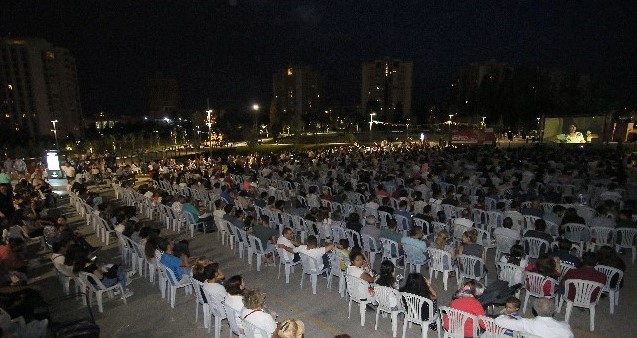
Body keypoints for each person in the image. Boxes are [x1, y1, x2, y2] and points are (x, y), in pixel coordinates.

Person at [495, 298, 574, 338]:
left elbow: (498, 321)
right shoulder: (566, 328)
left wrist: (504, 314)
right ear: (553, 311)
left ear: (535, 310)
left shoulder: (526, 323)